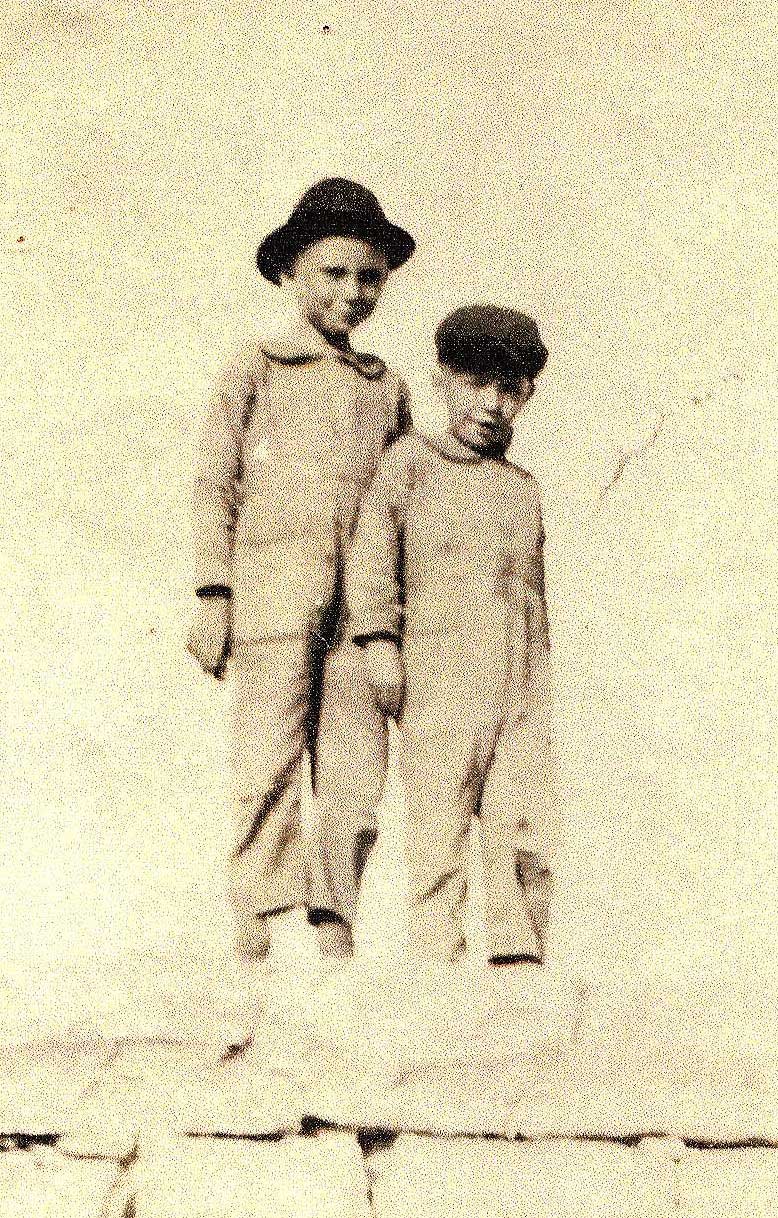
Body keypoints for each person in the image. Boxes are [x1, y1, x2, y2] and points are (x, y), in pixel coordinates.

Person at [186, 179, 415, 990]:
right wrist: (214, 590)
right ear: (291, 272)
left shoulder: (386, 387)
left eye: (370, 278)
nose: (353, 292)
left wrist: (394, 623)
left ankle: (334, 937)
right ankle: (252, 935)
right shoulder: (256, 366)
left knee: (353, 778)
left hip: (360, 616)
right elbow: (216, 483)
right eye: (334, 273)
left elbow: (401, 506)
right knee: (268, 763)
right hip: (275, 598)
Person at [340, 304, 558, 965]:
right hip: (440, 680)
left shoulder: (523, 488)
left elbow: (533, 597)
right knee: (438, 825)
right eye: (475, 383)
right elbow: (373, 556)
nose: (491, 404)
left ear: (524, 395)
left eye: (509, 389)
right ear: (442, 379)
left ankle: (521, 965)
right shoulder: (409, 463)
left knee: (523, 823)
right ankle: (437, 966)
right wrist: (380, 642)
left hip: (520, 686)